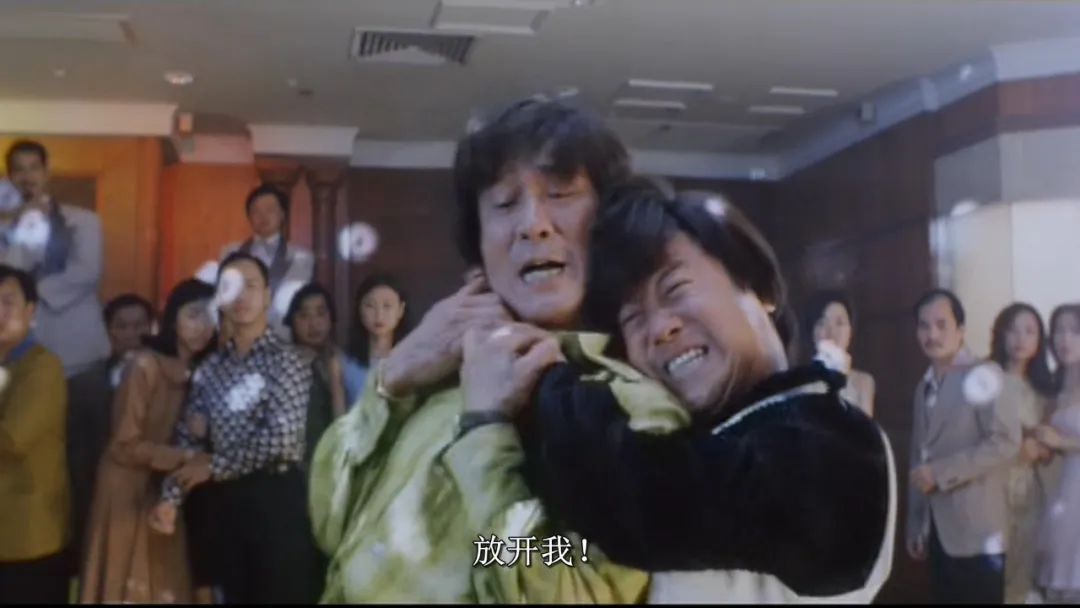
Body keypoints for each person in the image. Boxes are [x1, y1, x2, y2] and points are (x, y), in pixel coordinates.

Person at [482, 186, 895, 602]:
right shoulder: (702, 440)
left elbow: (627, 495)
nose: (660, 329)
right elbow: (559, 556)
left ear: (759, 289)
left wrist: (544, 374)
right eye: (633, 318)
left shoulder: (831, 443)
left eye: (676, 289)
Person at [309, 97, 649, 603]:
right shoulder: (442, 366)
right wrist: (395, 374)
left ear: (608, 222)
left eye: (560, 194)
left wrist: (486, 430)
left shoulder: (629, 404)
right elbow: (330, 523)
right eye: (505, 204)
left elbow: (574, 588)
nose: (532, 224)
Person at [148, 252, 320, 604]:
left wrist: (214, 464)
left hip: (276, 500)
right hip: (225, 505)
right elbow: (189, 440)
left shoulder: (288, 360)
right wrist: (170, 499)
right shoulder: (210, 369)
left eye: (251, 286)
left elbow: (282, 441)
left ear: (267, 296)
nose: (241, 296)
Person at [79, 279, 216, 603]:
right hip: (126, 488)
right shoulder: (144, 364)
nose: (202, 326)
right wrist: (185, 457)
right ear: (172, 318)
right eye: (193, 315)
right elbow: (123, 444)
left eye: (211, 317)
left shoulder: (206, 370)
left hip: (167, 488)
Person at [906, 288, 1022, 604]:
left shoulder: (984, 374)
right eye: (924, 326)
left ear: (961, 330)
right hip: (938, 532)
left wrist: (941, 472)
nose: (932, 334)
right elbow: (918, 457)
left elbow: (1006, 441)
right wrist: (916, 523)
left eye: (941, 324)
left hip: (978, 533)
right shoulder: (922, 386)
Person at [2, 140, 110, 376]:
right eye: (19, 170)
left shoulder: (83, 221)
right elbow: (7, 277)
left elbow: (87, 272)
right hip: (20, 351)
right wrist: (21, 222)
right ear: (10, 177)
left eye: (34, 168)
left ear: (46, 172)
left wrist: (30, 289)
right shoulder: (4, 228)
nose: (27, 177)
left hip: (79, 347)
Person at [67, 293, 155, 579]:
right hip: (99, 499)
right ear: (109, 331)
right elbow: (77, 459)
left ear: (152, 327)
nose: (132, 334)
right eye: (122, 326)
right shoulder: (84, 386)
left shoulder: (171, 378)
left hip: (154, 498)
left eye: (139, 325)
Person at [0, 264, 70, 603]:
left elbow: (12, 438)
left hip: (26, 535)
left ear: (31, 310)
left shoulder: (43, 366)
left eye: (7, 302)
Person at [988, 303, 1057, 603]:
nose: (1020, 338)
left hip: (1030, 494)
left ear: (1040, 340)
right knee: (991, 576)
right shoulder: (987, 379)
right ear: (1001, 334)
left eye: (1029, 331)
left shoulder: (1044, 390)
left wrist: (1043, 447)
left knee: (1023, 574)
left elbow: (1051, 446)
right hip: (991, 490)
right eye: (1013, 330)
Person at [220, 184, 314, 340]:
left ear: (282, 214)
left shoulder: (302, 257)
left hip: (282, 337)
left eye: (270, 210)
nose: (263, 216)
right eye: (256, 211)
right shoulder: (229, 252)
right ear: (249, 216)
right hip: (239, 337)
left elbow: (296, 302)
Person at [1034, 303, 1080, 603]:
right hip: (1059, 492)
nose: (1065, 339)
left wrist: (1063, 443)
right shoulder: (1052, 385)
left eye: (1075, 331)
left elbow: (1060, 440)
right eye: (1059, 331)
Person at [283, 283, 351, 468]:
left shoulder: (343, 362)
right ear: (292, 321)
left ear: (331, 318)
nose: (313, 323)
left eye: (321, 313)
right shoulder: (284, 365)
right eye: (304, 315)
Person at [803, 290, 876, 417]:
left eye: (839, 323)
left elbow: (863, 426)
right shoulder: (798, 381)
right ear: (812, 331)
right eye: (822, 323)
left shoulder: (863, 382)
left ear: (850, 332)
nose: (831, 332)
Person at [346, 274, 409, 399]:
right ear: (359, 309)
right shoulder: (345, 364)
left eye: (387, 306)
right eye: (370, 306)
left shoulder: (413, 360)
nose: (379, 315)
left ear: (401, 310)